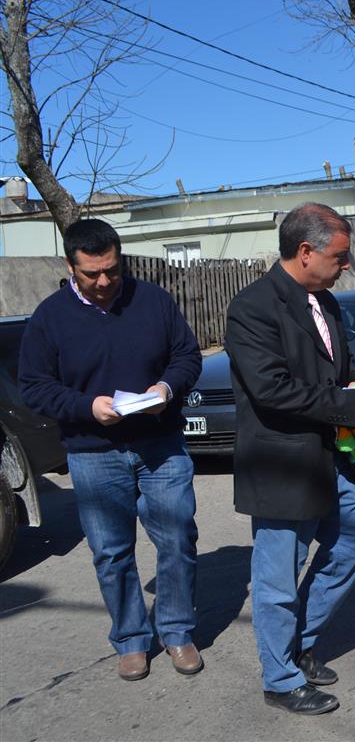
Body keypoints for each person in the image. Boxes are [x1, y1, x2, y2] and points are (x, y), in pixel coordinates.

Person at [18, 219, 203, 681]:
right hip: (93, 452)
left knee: (178, 540)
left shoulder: (154, 301)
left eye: (112, 271)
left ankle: (177, 631)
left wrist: (166, 385)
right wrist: (86, 406)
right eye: (91, 274)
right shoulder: (49, 317)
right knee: (111, 552)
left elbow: (188, 356)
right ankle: (131, 639)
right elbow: (35, 387)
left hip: (160, 445)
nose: (103, 282)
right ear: (70, 266)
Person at [225, 202, 355, 716]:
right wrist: (347, 401)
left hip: (330, 456)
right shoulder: (253, 307)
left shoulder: (326, 301)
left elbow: (334, 368)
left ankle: (300, 642)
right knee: (278, 578)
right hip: (282, 463)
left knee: (353, 543)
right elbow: (272, 389)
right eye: (340, 257)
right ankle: (280, 679)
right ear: (304, 252)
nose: (346, 266)